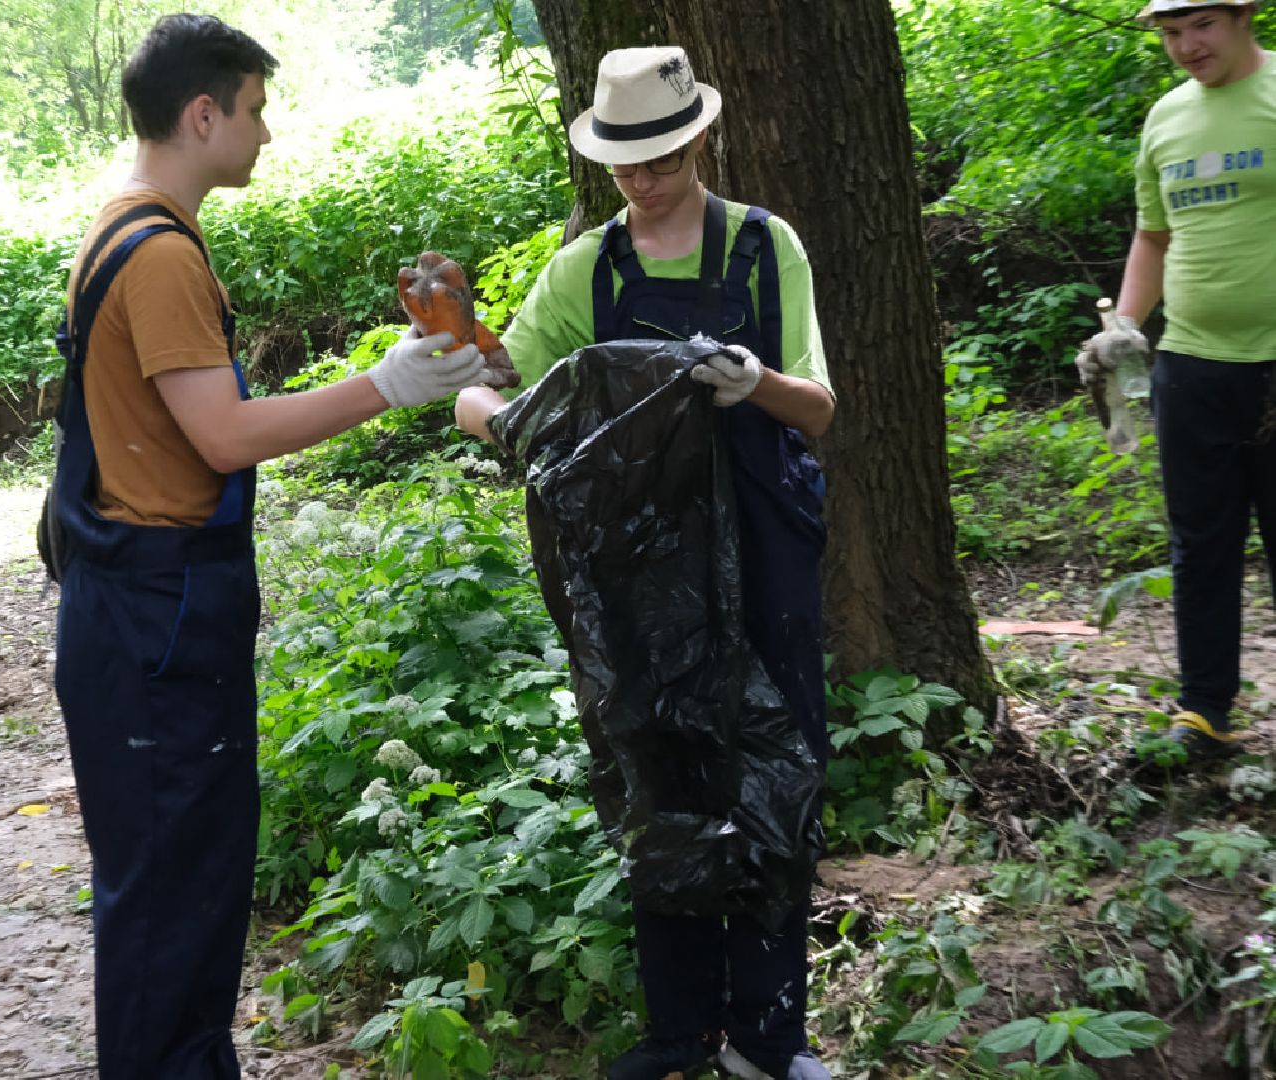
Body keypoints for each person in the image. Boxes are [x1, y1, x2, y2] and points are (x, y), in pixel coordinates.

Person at [48, 14, 485, 1078]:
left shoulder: (121, 228)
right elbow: (222, 435)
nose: (267, 133)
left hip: (135, 607)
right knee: (172, 898)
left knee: (175, 891)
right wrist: (384, 389)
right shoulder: (156, 254)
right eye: (254, 110)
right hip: (155, 623)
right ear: (204, 115)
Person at [456, 45, 834, 1080]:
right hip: (640, 568)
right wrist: (498, 414)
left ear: (699, 138)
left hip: (761, 545)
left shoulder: (764, 251)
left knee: (773, 766)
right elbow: (488, 393)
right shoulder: (589, 270)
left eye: (660, 159)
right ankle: (680, 1031)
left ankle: (769, 1036)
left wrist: (749, 378)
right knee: (655, 764)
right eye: (623, 163)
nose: (641, 180)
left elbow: (819, 407)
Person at [1078, 0, 1274, 767]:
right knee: (1201, 542)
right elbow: (1153, 237)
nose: (1184, 45)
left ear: (1244, 16)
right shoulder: (1164, 120)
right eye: (1169, 32)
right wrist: (1122, 324)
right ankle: (1204, 712)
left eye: (1201, 27)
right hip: (1190, 365)